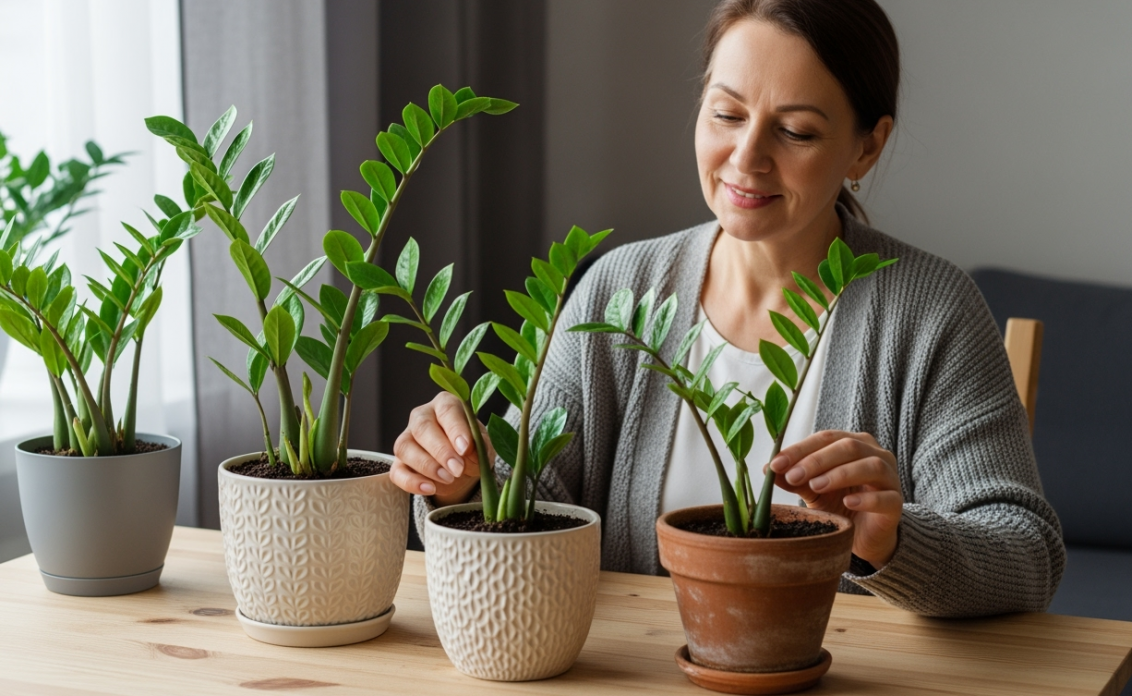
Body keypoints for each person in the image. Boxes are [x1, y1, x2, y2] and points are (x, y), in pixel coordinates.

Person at [390, 0, 1065, 618]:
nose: (747, 157)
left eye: (795, 131)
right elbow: (527, 497)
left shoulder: (931, 312)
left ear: (866, 146)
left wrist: (892, 539)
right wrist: (460, 479)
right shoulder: (620, 292)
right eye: (727, 114)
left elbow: (1026, 553)